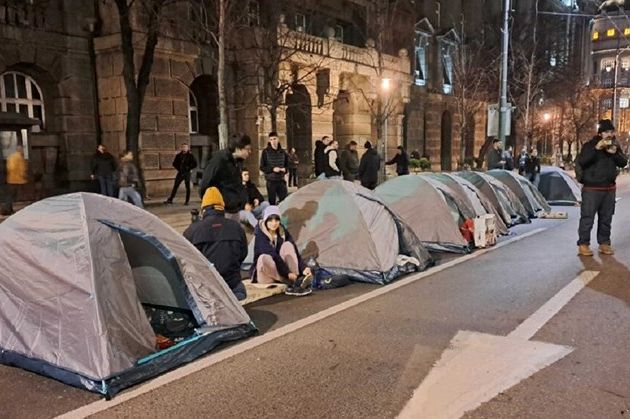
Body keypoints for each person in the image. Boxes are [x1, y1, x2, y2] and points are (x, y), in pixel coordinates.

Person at [184, 187, 248, 301]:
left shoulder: (192, 231)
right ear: (222, 207)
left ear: (203, 209)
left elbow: (186, 259)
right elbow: (243, 253)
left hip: (206, 287)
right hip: (232, 285)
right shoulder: (236, 227)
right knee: (240, 292)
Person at [576, 119, 628, 256]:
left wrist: (615, 153)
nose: (609, 134)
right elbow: (583, 161)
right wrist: (596, 149)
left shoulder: (615, 146)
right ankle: (583, 244)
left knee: (606, 218)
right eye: (606, 132)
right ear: (600, 133)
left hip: (609, 188)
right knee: (587, 217)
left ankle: (604, 243)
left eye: (611, 131)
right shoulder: (590, 145)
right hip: (592, 188)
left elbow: (623, 163)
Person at [251, 206, 313, 296]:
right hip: (267, 275)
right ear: (265, 221)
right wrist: (287, 274)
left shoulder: (282, 231)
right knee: (263, 258)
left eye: (276, 220)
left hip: (283, 271)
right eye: (270, 220)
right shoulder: (260, 235)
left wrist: (303, 268)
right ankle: (293, 281)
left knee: (287, 245)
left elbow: (294, 251)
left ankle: (295, 279)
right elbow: (274, 256)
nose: (274, 223)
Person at [199, 133, 252, 216]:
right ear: (238, 148)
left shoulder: (238, 162)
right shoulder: (218, 160)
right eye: (247, 149)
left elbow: (237, 185)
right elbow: (205, 184)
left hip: (235, 209)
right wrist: (208, 206)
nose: (250, 152)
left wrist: (243, 202)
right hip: (221, 210)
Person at [260, 132, 289, 205]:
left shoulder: (283, 152)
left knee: (284, 201)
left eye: (274, 139)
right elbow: (262, 167)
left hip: (281, 180)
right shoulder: (265, 152)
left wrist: (285, 170)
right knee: (272, 201)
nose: (273, 141)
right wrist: (273, 169)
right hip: (271, 181)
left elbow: (287, 165)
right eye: (271, 139)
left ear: (278, 139)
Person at [3, 145, 27, 215]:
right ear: (20, 149)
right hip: (15, 179)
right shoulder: (18, 157)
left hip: (12, 179)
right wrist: (21, 175)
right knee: (11, 195)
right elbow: (13, 168)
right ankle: (6, 210)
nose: (23, 151)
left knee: (11, 195)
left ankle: (9, 209)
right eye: (22, 149)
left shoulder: (12, 156)